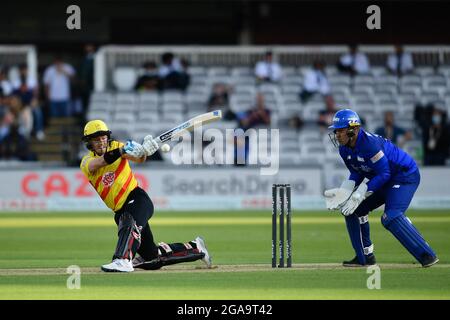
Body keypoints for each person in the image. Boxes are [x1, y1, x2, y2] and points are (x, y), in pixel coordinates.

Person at [80, 120, 212, 272]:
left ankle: (122, 260)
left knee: (128, 218)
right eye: (96, 139)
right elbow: (101, 162)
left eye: (103, 137)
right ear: (89, 142)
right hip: (120, 210)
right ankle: (196, 248)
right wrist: (122, 151)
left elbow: (139, 159)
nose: (101, 142)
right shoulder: (86, 161)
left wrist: (145, 152)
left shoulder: (117, 146)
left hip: (137, 200)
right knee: (152, 258)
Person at [324, 109, 439, 267]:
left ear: (354, 129)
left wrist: (360, 193)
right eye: (336, 131)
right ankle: (364, 257)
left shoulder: (370, 144)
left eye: (341, 130)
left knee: (390, 217)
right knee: (352, 211)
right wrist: (345, 191)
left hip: (403, 175)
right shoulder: (344, 148)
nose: (337, 135)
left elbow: (385, 173)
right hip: (384, 178)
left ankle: (427, 255)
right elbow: (356, 172)